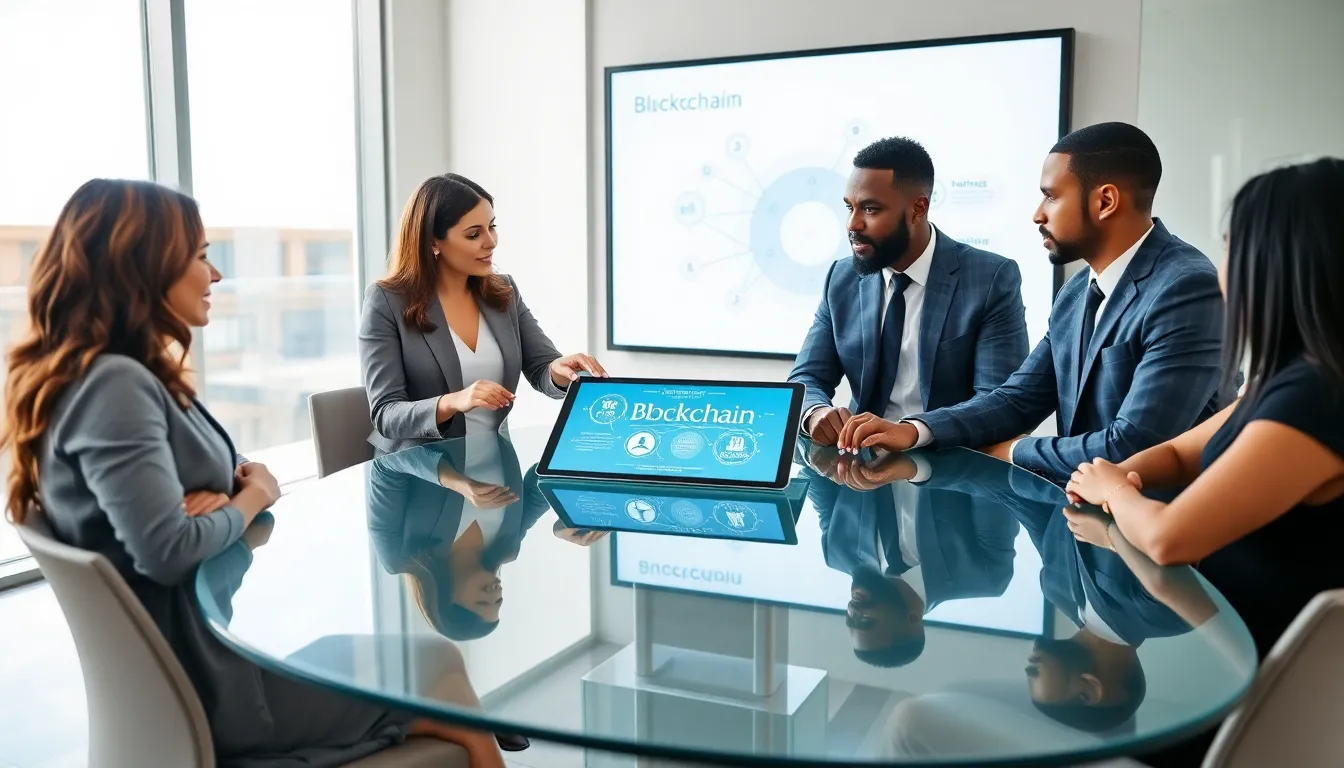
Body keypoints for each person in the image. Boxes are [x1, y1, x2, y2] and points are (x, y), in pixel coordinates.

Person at [0, 179, 485, 766]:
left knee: (436, 669)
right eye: (201, 258)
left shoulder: (106, 377)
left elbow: (205, 480)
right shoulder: (115, 386)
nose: (216, 276)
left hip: (190, 673)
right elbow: (169, 549)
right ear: (144, 270)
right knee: (442, 676)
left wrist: (230, 489)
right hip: (214, 690)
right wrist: (252, 494)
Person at [836, 123, 1228, 485]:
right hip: (1087, 522)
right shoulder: (1077, 292)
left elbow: (1131, 446)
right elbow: (1018, 399)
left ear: (1105, 201)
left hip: (1164, 538)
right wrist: (916, 429)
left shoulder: (1186, 287)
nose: (1037, 214)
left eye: (1050, 196)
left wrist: (1013, 451)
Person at [1066, 157, 1344, 662]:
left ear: (1276, 262)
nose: (1221, 269)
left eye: (1230, 247)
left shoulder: (1318, 397)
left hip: (1262, 685)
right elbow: (1176, 454)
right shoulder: (1287, 379)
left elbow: (1171, 538)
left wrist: (1110, 489)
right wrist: (1126, 475)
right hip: (1218, 641)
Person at [788, 136, 1029, 445]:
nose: (853, 223)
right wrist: (816, 413)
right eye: (850, 207)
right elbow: (806, 377)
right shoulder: (841, 277)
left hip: (950, 465)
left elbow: (1000, 402)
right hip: (860, 467)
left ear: (918, 208)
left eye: (871, 210)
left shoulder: (990, 278)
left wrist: (915, 431)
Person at [361, 173, 606, 454]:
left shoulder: (504, 292)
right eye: (474, 234)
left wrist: (559, 371)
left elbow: (541, 368)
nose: (491, 242)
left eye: (492, 227)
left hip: (494, 464)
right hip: (420, 473)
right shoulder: (387, 300)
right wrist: (454, 401)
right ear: (433, 242)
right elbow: (385, 414)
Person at [803, 447, 1019, 668]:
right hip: (950, 421)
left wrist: (816, 443)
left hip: (862, 420)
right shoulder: (984, 575)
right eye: (866, 621)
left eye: (849, 619)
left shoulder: (838, 552)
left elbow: (813, 467)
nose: (853, 611)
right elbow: (991, 477)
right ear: (912, 619)